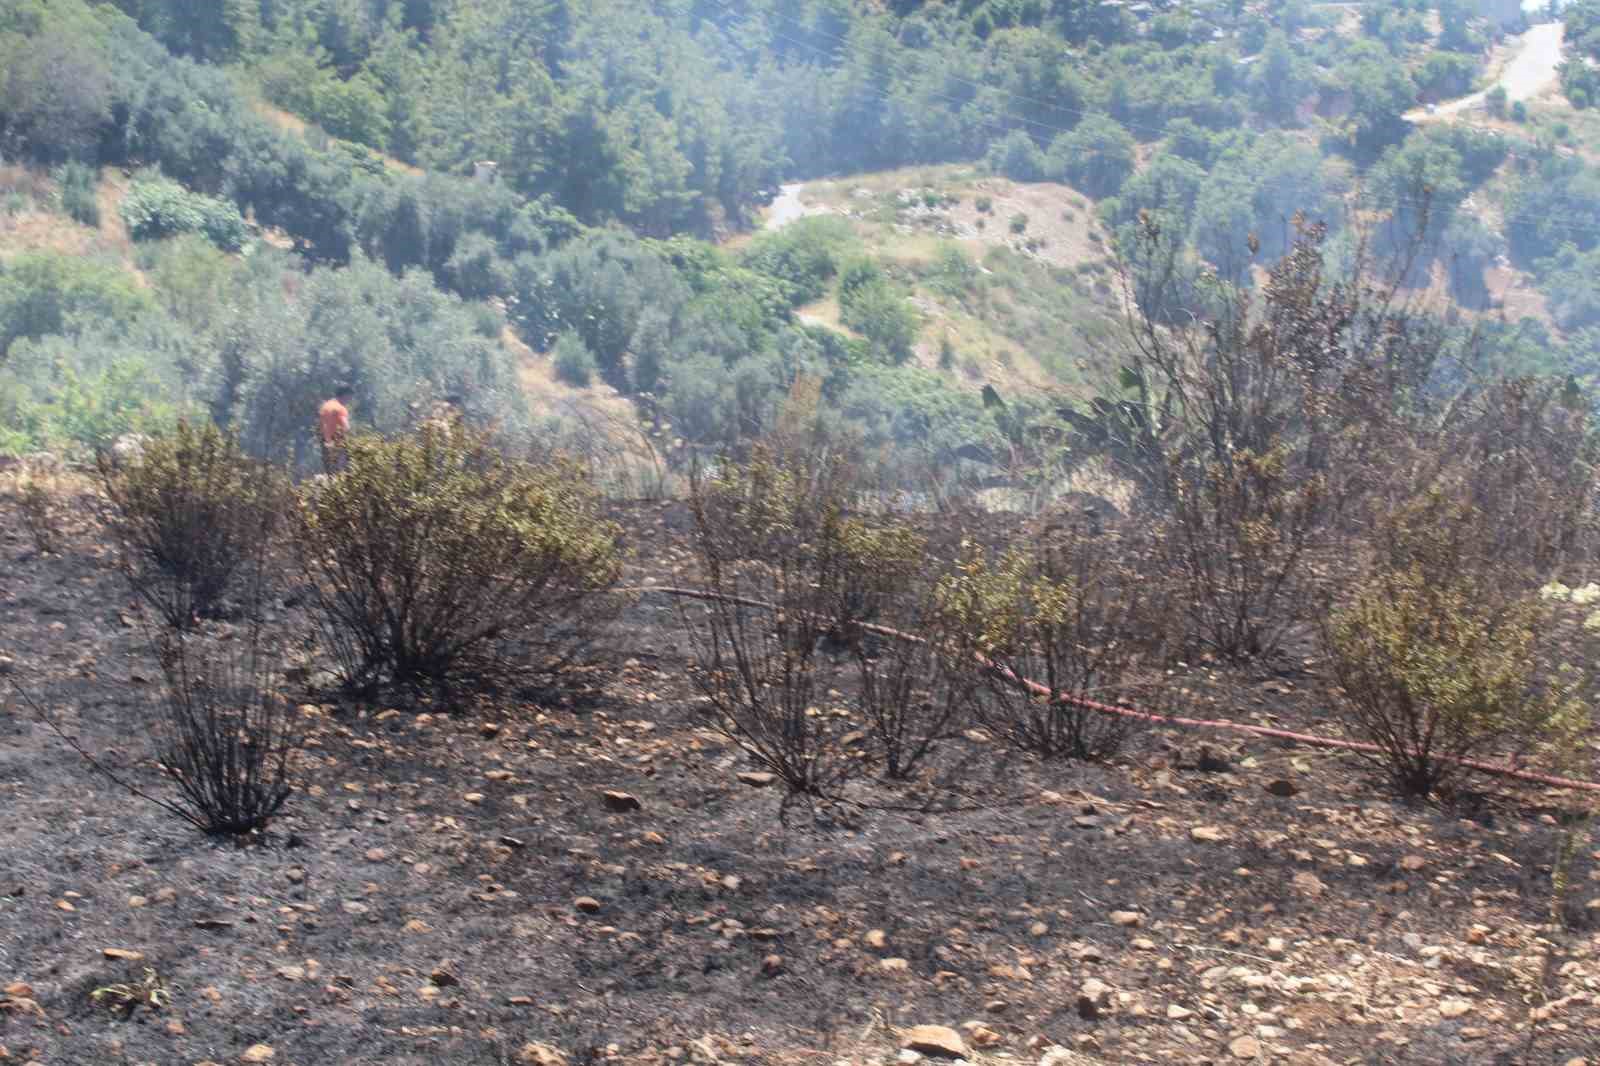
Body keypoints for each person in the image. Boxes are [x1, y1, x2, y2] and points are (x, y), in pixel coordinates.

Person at [318, 385, 354, 474]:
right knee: (341, 472)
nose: (350, 400)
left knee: (330, 472)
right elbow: (346, 428)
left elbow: (321, 425)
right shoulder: (340, 409)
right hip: (338, 443)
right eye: (350, 397)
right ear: (345, 395)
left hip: (325, 443)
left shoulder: (325, 406)